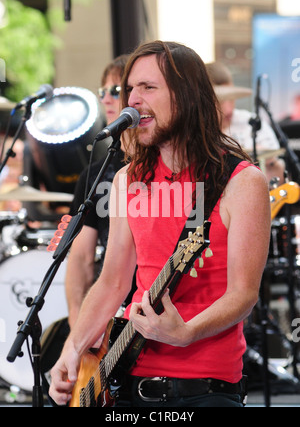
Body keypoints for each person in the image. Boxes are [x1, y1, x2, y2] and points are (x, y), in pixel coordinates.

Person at [49, 41, 271, 408]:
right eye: (130, 89)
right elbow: (113, 280)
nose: (133, 99)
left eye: (148, 88)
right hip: (127, 376)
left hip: (205, 387)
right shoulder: (127, 179)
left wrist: (186, 333)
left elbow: (243, 293)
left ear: (186, 96)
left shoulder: (241, 181)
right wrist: (72, 349)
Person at [65, 55, 129, 329]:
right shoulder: (94, 174)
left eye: (115, 91)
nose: (105, 100)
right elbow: (80, 258)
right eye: (102, 92)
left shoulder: (171, 172)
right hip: (111, 316)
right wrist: (77, 326)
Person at [206, 61, 285, 184]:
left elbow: (278, 169)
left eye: (232, 99)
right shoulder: (193, 133)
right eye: (220, 102)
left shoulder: (252, 123)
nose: (228, 109)